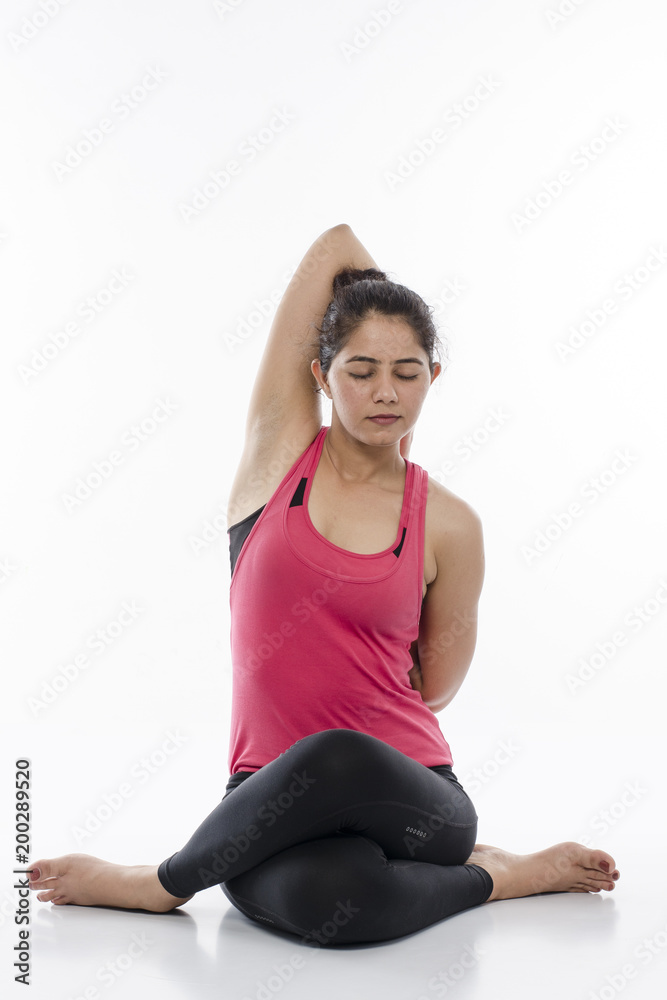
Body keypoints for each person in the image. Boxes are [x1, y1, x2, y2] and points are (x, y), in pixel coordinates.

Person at [28, 224, 619, 945]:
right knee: (337, 902)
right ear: (319, 374)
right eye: (359, 368)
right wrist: (381, 300)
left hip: (414, 795)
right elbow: (332, 245)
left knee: (338, 751)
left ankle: (156, 885)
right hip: (262, 799)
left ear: (434, 377)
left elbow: (433, 687)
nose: (384, 391)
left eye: (407, 371)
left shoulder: (450, 524)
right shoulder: (275, 464)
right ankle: (498, 876)